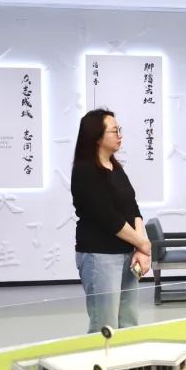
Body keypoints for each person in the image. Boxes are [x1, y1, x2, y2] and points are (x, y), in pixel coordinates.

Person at [70, 109, 151, 333]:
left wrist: (140, 247)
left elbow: (132, 207)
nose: (120, 135)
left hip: (128, 253)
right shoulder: (85, 170)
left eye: (119, 130)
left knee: (128, 322)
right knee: (104, 325)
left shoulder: (115, 167)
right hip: (100, 256)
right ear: (97, 136)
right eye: (115, 131)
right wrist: (142, 244)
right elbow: (107, 217)